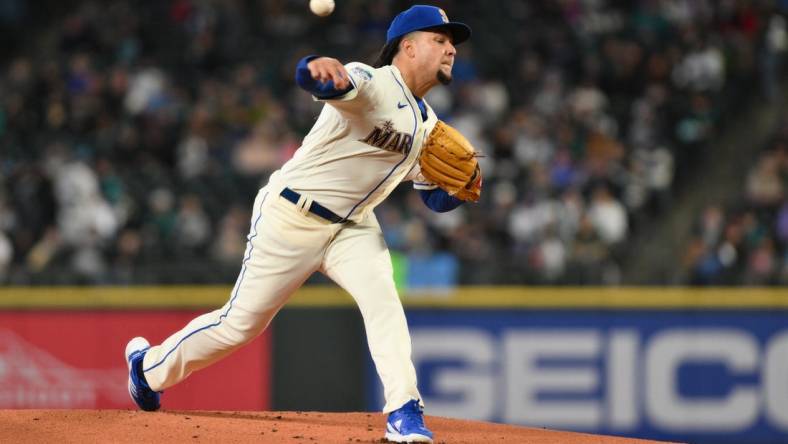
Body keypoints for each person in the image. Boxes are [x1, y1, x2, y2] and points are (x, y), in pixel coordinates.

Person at [124, 5, 475, 443]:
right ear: (407, 46)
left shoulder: (427, 124)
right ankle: (148, 368)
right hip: (292, 215)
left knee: (384, 300)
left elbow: (434, 198)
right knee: (240, 325)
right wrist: (315, 67)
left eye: (452, 43)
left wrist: (460, 191)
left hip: (353, 228)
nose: (450, 50)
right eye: (439, 40)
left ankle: (404, 411)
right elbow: (326, 80)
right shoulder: (373, 82)